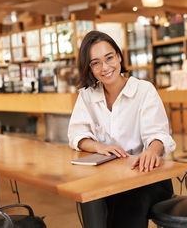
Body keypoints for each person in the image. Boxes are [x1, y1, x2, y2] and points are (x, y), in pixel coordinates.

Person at [67, 30, 176, 228]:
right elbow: (76, 135)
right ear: (90, 68)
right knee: (89, 195)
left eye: (109, 58)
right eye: (96, 62)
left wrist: (152, 150)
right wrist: (98, 146)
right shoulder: (87, 96)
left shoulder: (144, 90)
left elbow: (159, 134)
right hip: (107, 178)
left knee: (125, 199)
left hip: (145, 177)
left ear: (119, 56)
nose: (105, 67)